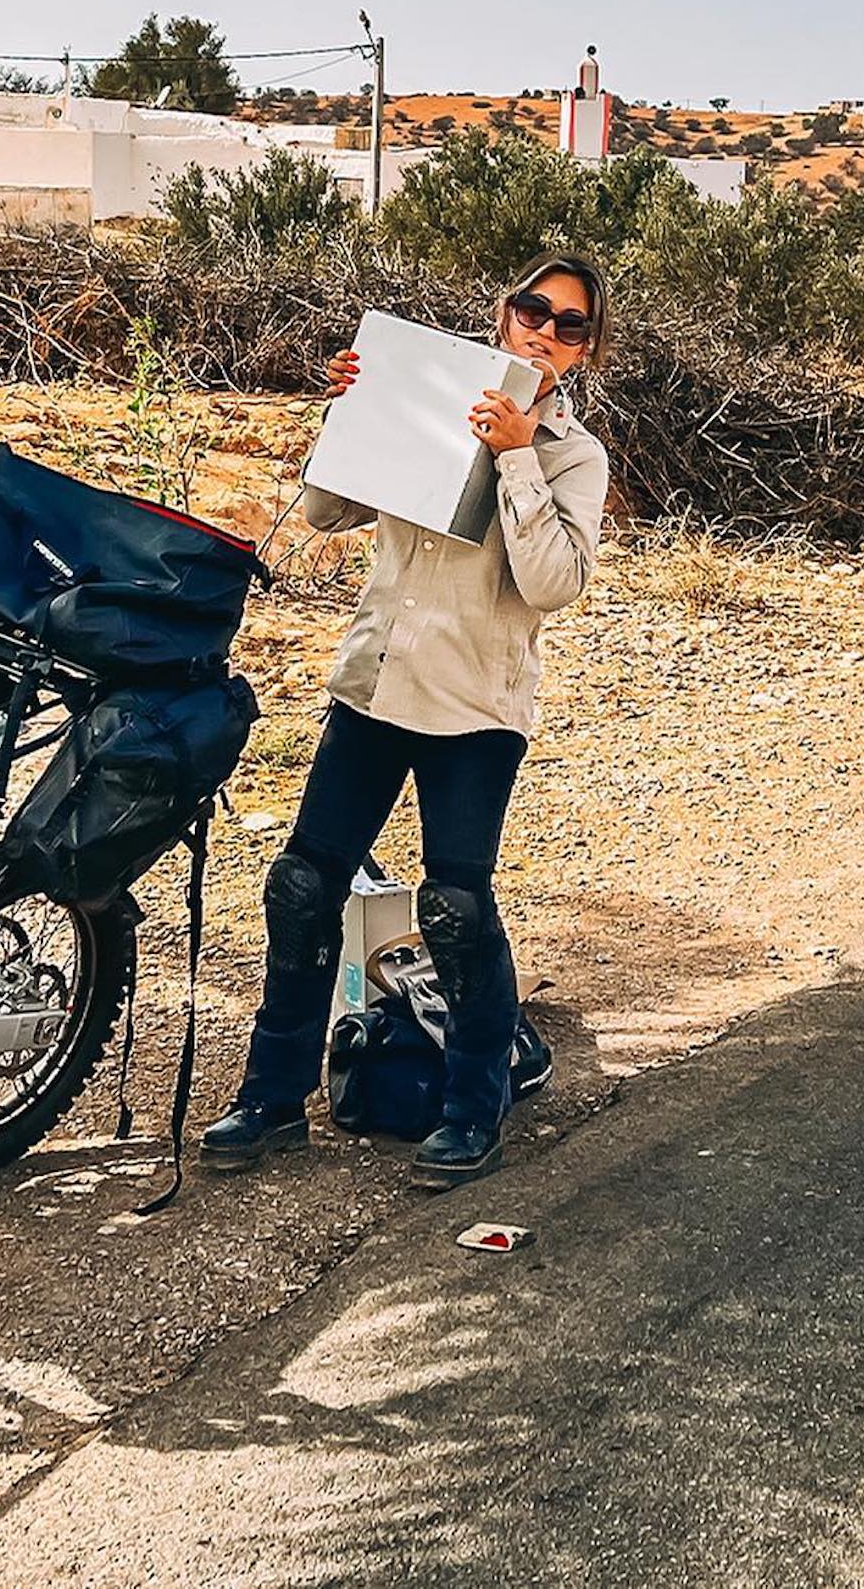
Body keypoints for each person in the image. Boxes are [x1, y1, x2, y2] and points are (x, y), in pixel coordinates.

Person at [202, 255, 612, 1189]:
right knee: (304, 886)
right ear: (504, 313)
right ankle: (271, 1101)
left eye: (570, 324)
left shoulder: (571, 457)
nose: (545, 330)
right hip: (375, 683)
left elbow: (553, 584)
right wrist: (350, 412)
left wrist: (515, 453)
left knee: (455, 909)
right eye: (532, 309)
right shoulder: (428, 392)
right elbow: (323, 509)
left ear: (585, 352)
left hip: (475, 705)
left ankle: (474, 1111)